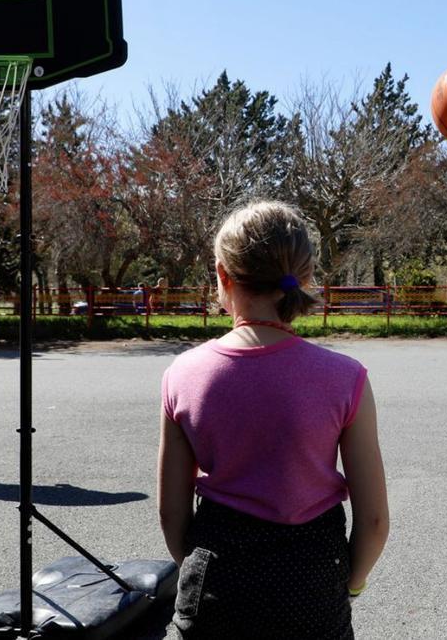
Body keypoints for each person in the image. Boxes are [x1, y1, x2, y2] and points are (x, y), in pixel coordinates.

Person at [158, 201, 389, 639]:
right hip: (313, 582)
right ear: (301, 279)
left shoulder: (183, 375)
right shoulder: (345, 378)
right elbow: (374, 520)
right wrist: (351, 585)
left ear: (223, 275)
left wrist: (198, 571)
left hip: (217, 583)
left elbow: (172, 515)